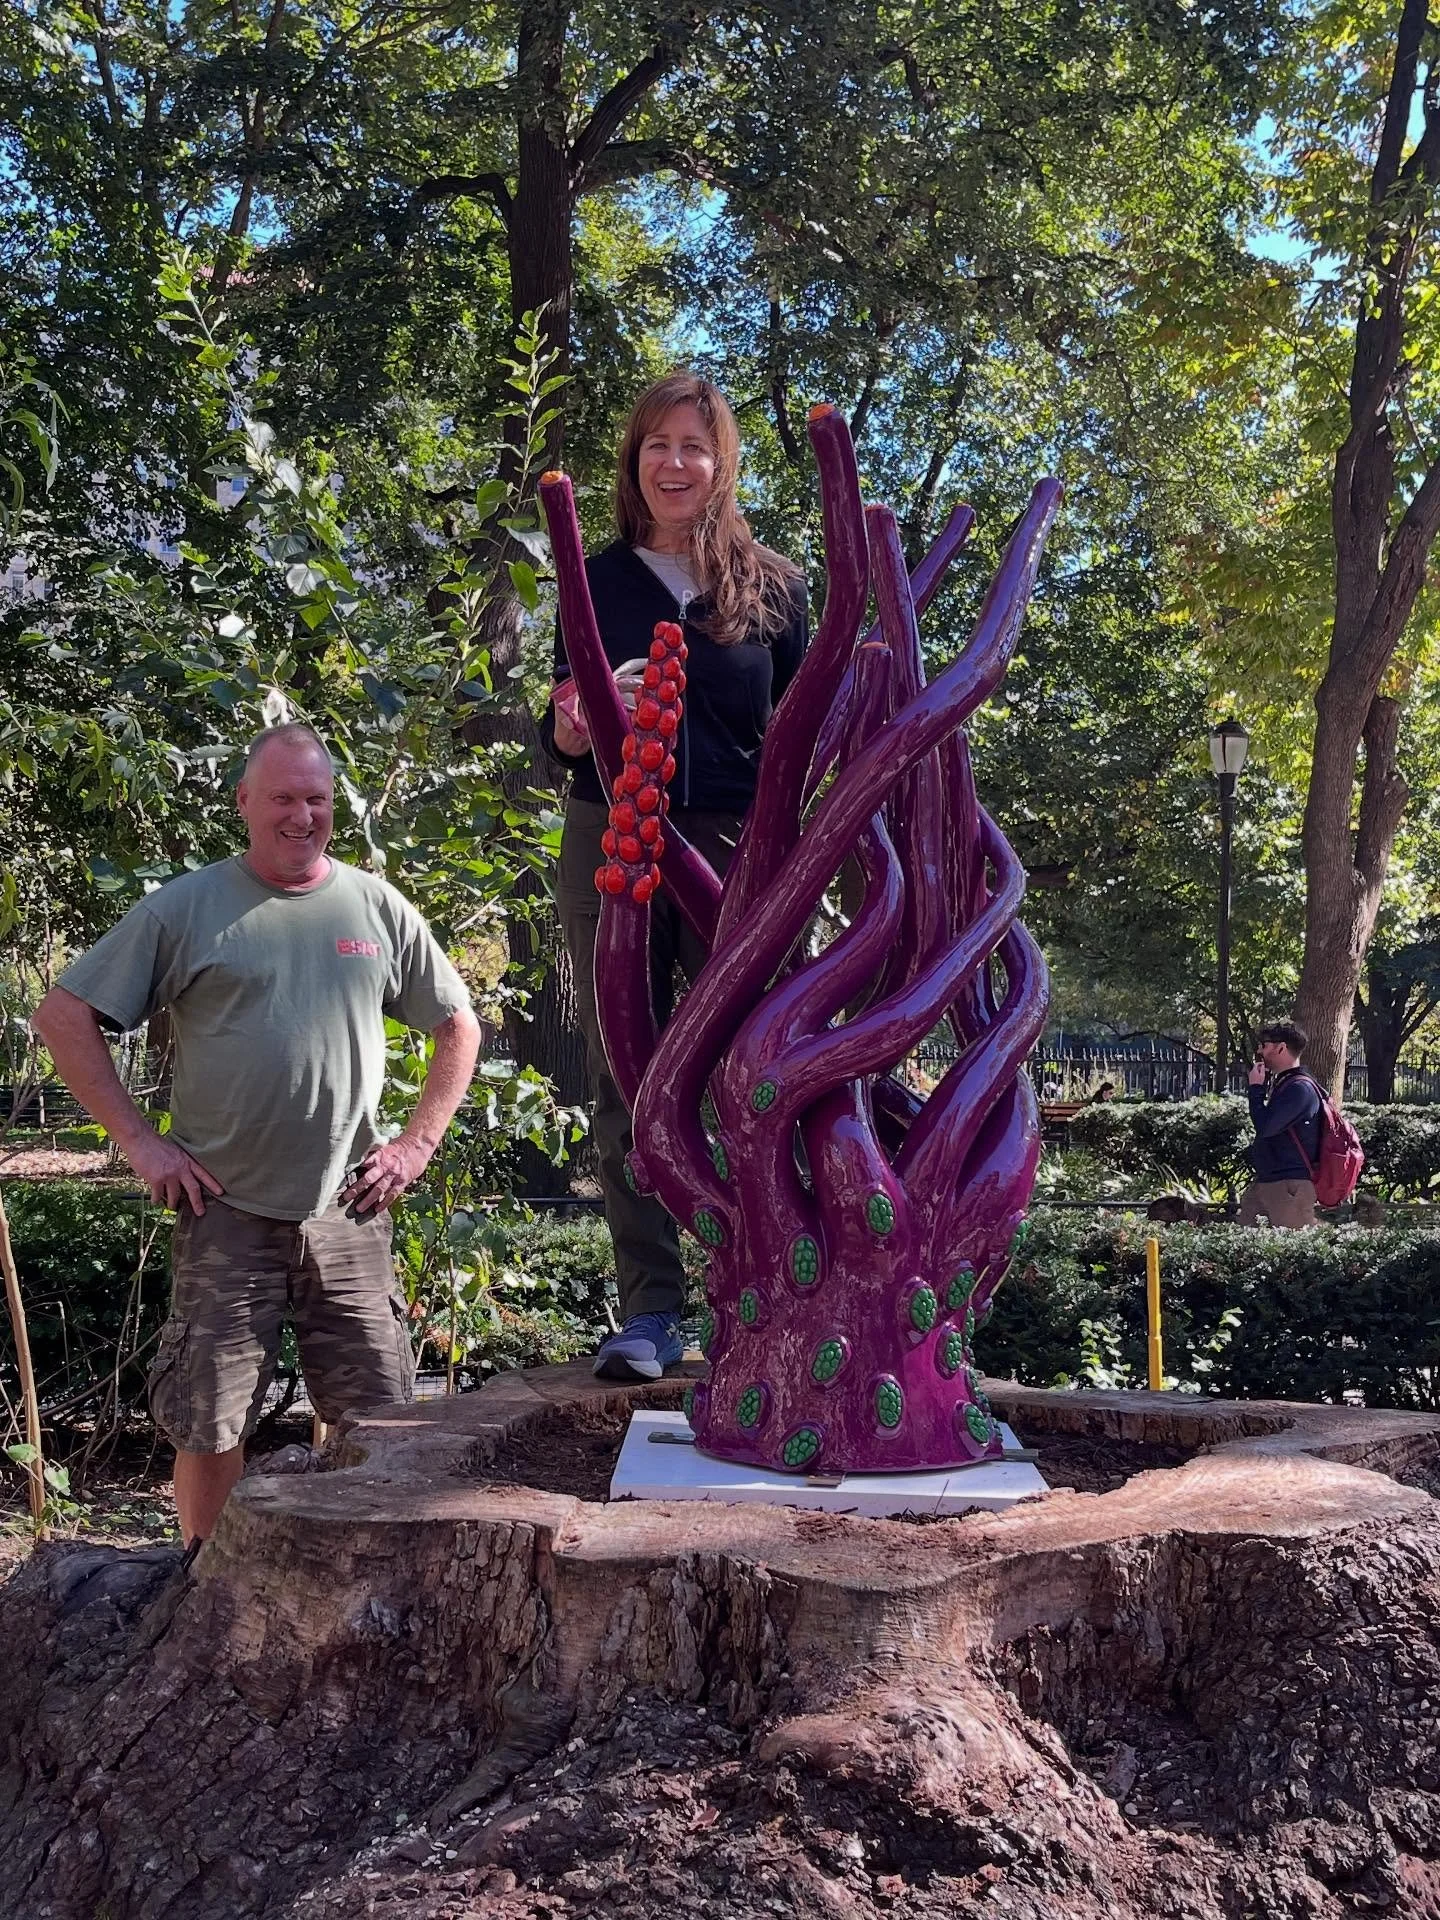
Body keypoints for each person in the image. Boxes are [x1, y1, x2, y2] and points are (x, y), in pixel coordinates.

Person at [31, 724, 482, 1544]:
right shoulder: (189, 906)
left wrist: (415, 1145)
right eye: (283, 798)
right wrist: (141, 1143)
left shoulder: (375, 908)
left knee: (378, 1425)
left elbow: (459, 1026)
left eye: (316, 799)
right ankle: (203, 1591)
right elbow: (63, 1017)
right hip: (226, 1211)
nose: (301, 816)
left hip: (350, 1211)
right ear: (244, 802)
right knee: (208, 1423)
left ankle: (364, 1585)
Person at [540, 372, 808, 1382]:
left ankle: (773, 1281)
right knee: (628, 1072)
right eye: (657, 443)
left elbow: (812, 728)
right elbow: (553, 732)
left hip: (742, 848)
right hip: (613, 838)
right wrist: (574, 720)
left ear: (723, 461)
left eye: (694, 445)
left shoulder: (775, 586)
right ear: (633, 461)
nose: (675, 463)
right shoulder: (589, 579)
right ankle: (651, 1311)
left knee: (764, 1066)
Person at [1237, 1020, 1321, 1228]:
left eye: (1264, 1045)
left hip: (1289, 1186)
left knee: (1292, 1254)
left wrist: (1256, 1089)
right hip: (1269, 1181)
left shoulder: (1300, 1088)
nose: (1259, 1051)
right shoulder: (1287, 1084)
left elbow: (1265, 1126)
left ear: (1281, 1048)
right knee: (1243, 1248)